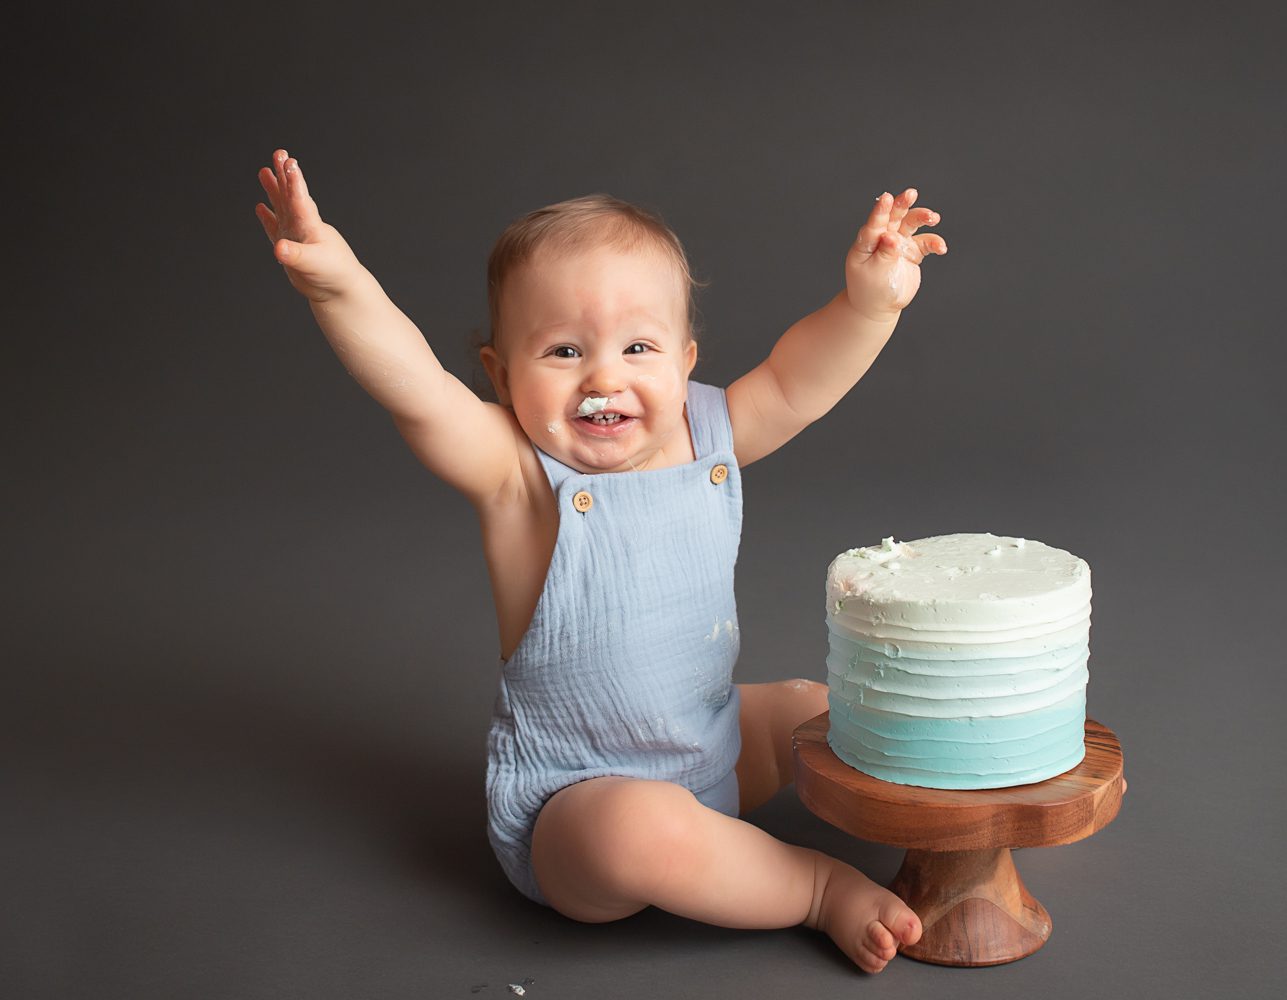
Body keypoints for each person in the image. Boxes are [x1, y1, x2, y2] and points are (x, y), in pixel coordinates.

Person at [253, 149, 947, 974]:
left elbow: (799, 381)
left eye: (638, 348)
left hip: (709, 747)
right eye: (563, 353)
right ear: (500, 375)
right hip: (576, 810)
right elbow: (414, 388)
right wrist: (338, 284)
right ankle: (814, 889)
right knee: (639, 833)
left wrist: (868, 306)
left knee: (811, 710)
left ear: (687, 361)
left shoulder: (707, 433)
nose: (603, 379)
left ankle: (933, 819)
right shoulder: (514, 472)